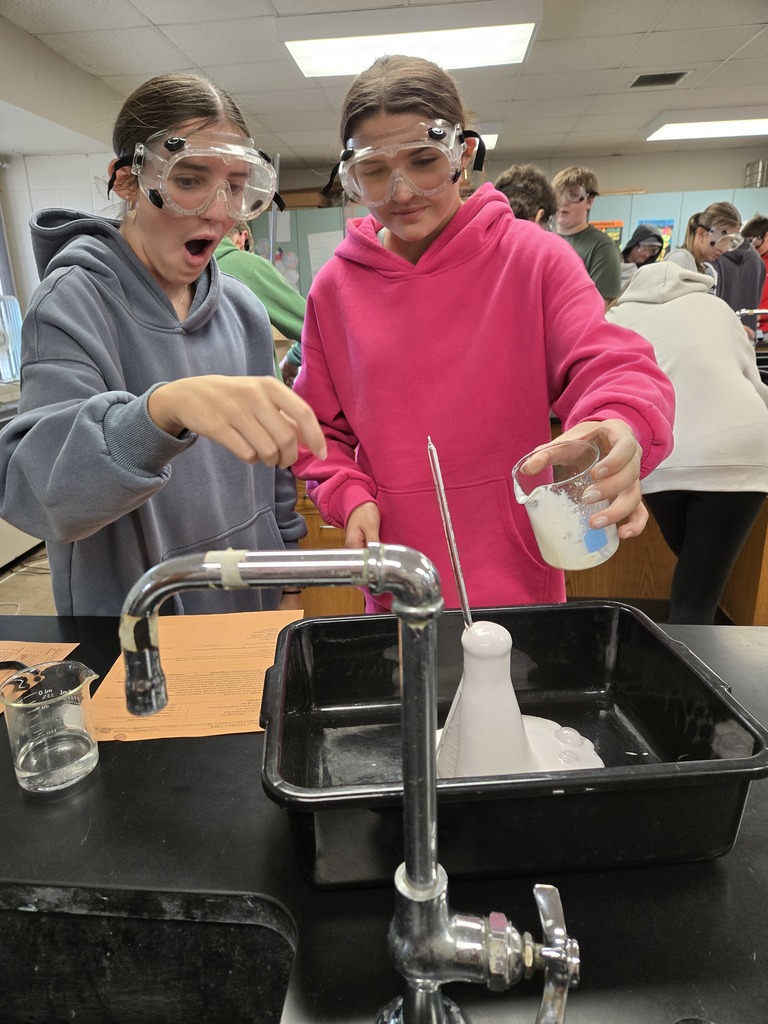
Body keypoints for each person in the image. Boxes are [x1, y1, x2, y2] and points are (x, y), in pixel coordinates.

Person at [291, 55, 675, 615]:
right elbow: (316, 429)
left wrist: (620, 423)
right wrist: (348, 495)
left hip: (518, 577)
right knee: (411, 675)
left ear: (462, 155)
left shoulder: (533, 258)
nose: (402, 191)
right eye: (374, 171)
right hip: (400, 578)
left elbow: (611, 365)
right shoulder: (335, 289)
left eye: (424, 161)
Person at [0, 72, 326, 617]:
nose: (219, 211)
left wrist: (287, 581)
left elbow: (272, 471)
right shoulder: (71, 304)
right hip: (137, 623)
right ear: (128, 182)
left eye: (236, 186)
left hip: (251, 602)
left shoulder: (243, 310)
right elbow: (43, 494)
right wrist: (161, 411)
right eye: (190, 180)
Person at [607, 261, 768, 624]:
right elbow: (754, 381)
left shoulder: (617, 316)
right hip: (740, 447)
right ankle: (698, 652)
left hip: (666, 451)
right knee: (698, 591)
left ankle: (688, 659)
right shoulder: (718, 308)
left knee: (694, 580)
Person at [214, 221, 305, 381]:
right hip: (254, 393)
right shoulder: (248, 266)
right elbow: (317, 326)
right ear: (242, 238)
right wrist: (292, 360)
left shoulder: (178, 272)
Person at [551, 165, 622, 305]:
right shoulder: (544, 240)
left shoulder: (602, 247)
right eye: (558, 194)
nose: (563, 202)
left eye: (573, 195)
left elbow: (600, 306)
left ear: (590, 201)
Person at [664, 202, 742, 290]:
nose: (723, 250)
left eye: (729, 242)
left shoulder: (709, 270)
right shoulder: (679, 259)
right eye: (722, 241)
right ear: (701, 234)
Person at [742, 215, 768, 338]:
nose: (753, 250)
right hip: (746, 328)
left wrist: (760, 315)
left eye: (757, 246)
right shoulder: (748, 261)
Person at [620, 224, 664, 288]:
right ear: (633, 244)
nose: (647, 254)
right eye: (644, 248)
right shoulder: (615, 264)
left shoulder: (653, 271)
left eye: (653, 251)